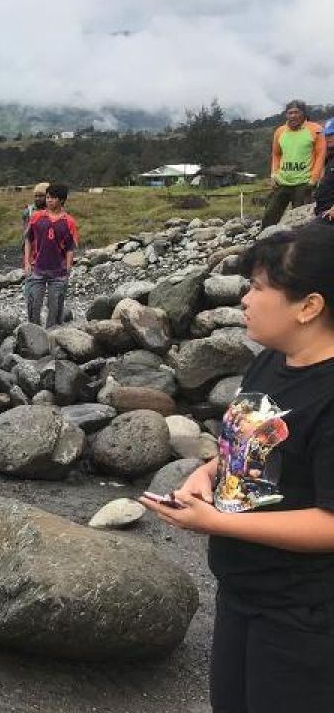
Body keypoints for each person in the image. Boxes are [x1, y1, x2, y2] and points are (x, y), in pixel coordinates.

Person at [141, 224, 334, 712]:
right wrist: (206, 475)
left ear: (309, 306)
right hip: (240, 590)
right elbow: (246, 444)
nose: (245, 300)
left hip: (304, 611)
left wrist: (217, 522)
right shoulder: (270, 362)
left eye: (259, 288)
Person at [263, 100, 327, 227]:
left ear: (303, 113)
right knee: (269, 216)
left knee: (300, 221)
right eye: (289, 113)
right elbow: (276, 154)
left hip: (304, 183)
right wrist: (274, 174)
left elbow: (321, 155)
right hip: (282, 182)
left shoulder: (316, 130)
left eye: (296, 112)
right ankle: (264, 242)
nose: (292, 116)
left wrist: (314, 179)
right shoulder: (280, 131)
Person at [23, 182, 78, 327]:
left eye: (52, 198)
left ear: (61, 200)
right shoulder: (36, 217)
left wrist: (68, 268)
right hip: (37, 269)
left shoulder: (69, 222)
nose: (48, 200)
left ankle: (53, 338)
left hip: (58, 272)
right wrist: (27, 262)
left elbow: (70, 248)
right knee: (33, 306)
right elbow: (28, 240)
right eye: (47, 197)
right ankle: (33, 336)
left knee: (55, 310)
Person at [313, 118, 334, 223]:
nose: (328, 138)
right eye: (327, 135)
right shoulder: (330, 156)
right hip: (324, 211)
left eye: (332, 134)